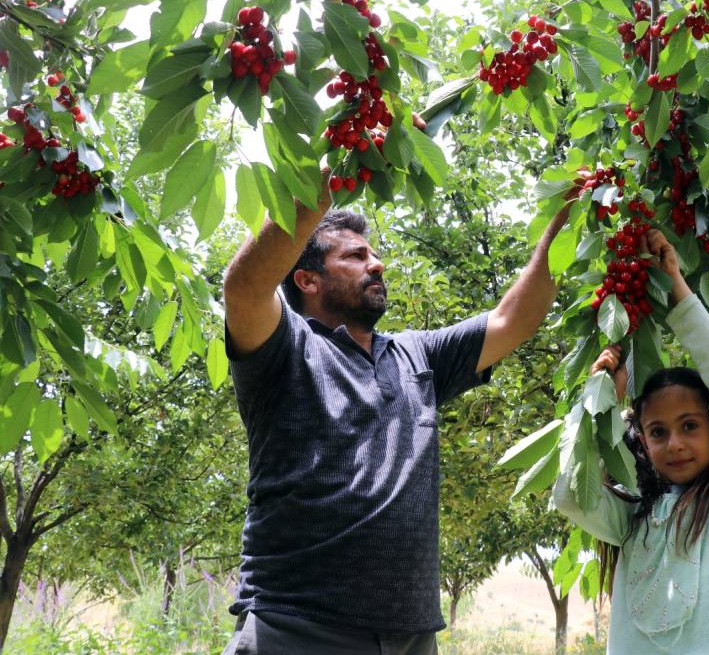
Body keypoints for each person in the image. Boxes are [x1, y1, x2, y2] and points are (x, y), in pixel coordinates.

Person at [221, 175, 572, 655]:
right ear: (307, 279)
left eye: (373, 254)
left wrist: (568, 218)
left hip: (410, 637)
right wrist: (324, 179)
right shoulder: (285, 350)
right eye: (354, 256)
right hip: (299, 627)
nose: (377, 264)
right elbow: (243, 286)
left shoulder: (417, 355)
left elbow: (514, 319)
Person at [553, 229, 709, 655]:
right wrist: (595, 408)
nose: (674, 443)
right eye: (657, 432)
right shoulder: (635, 516)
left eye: (690, 425)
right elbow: (570, 496)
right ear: (640, 440)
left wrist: (674, 285)